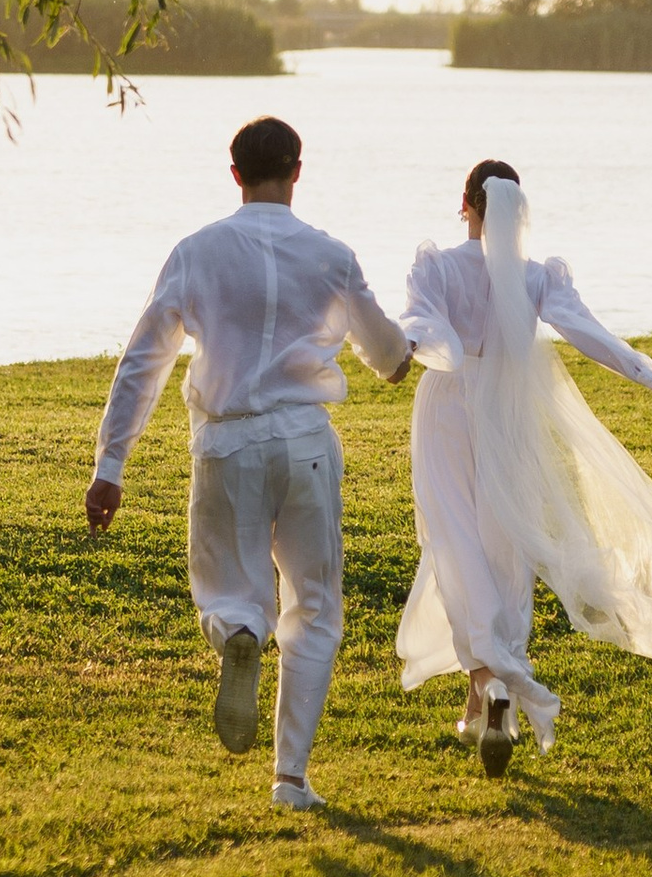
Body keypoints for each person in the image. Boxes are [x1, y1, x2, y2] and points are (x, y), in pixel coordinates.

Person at [85, 113, 414, 810]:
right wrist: (400, 359)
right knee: (316, 608)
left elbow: (147, 356)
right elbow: (386, 355)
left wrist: (111, 463)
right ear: (298, 170)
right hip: (305, 441)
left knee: (227, 586)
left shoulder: (198, 251)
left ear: (234, 174)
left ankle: (237, 631)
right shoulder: (332, 255)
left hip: (227, 438)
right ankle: (290, 777)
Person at [398, 160, 652, 777]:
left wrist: (415, 348)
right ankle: (486, 694)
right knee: (504, 548)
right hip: (508, 415)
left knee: (455, 543)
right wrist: (650, 377)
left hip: (447, 409)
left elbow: (422, 325)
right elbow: (585, 331)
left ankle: (489, 690)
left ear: (465, 203)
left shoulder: (435, 266)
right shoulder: (535, 277)